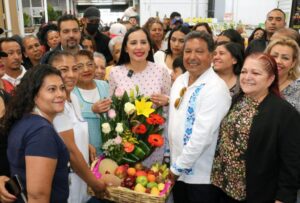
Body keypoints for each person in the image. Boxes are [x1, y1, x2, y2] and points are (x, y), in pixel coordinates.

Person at [211, 53, 300, 203]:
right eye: (244, 72)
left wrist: (283, 197)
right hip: (225, 188)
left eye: (256, 73)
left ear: (270, 79)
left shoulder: (284, 113)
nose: (247, 77)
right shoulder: (237, 100)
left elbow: (292, 161)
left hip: (258, 193)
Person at [168, 31, 231, 203]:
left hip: (201, 178)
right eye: (188, 51)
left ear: (211, 55)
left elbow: (202, 137)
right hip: (177, 171)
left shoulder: (215, 88)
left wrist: (176, 168)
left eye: (199, 51)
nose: (192, 57)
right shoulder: (181, 80)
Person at [1, 65, 70, 203]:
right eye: (51, 89)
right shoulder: (41, 132)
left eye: (62, 88)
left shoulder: (25, 120)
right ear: (33, 94)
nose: (60, 94)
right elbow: (38, 197)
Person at [49, 51, 107, 202]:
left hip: (82, 178)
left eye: (75, 69)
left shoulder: (72, 97)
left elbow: (72, 132)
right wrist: (95, 183)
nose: (71, 75)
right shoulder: (55, 104)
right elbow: (71, 153)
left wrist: (85, 143)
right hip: (69, 181)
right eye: (63, 70)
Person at [109, 26, 171, 167]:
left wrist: (167, 102)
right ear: (125, 48)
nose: (139, 47)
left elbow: (171, 106)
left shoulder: (161, 71)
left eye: (143, 42)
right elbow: (113, 110)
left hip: (154, 141)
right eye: (133, 43)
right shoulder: (115, 73)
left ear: (150, 46)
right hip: (127, 142)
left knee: (153, 183)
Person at [73, 50, 111, 156]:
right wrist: (92, 110)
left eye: (90, 64)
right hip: (85, 153)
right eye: (79, 66)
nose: (86, 69)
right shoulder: (71, 92)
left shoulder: (105, 86)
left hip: (110, 151)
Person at [265, 38, 300, 112]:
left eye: (285, 58)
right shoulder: (256, 83)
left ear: (293, 63)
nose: (278, 61)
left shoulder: (298, 90)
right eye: (274, 56)